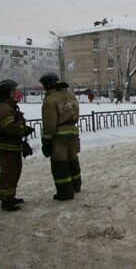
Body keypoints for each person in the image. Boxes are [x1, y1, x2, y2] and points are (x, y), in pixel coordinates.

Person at [0, 80, 34, 211]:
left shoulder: (9, 106)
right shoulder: (4, 108)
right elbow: (8, 127)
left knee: (14, 172)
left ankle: (10, 196)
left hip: (12, 145)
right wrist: (23, 129)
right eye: (13, 91)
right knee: (8, 173)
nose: (16, 93)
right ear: (7, 92)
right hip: (6, 145)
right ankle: (6, 201)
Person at [39, 72, 82, 200]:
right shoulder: (70, 95)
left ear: (47, 85)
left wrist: (46, 141)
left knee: (60, 164)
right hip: (73, 132)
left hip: (59, 136)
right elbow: (75, 115)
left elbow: (49, 123)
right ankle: (76, 185)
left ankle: (65, 192)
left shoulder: (50, 100)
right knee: (72, 160)